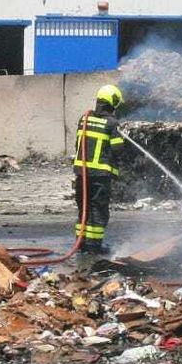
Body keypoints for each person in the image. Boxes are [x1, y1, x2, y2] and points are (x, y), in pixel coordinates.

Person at [73, 84, 125, 254]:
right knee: (98, 209)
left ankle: (81, 244)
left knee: (84, 208)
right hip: (100, 176)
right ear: (113, 102)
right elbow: (118, 149)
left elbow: (78, 145)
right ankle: (94, 246)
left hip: (82, 174)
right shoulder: (111, 124)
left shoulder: (84, 119)